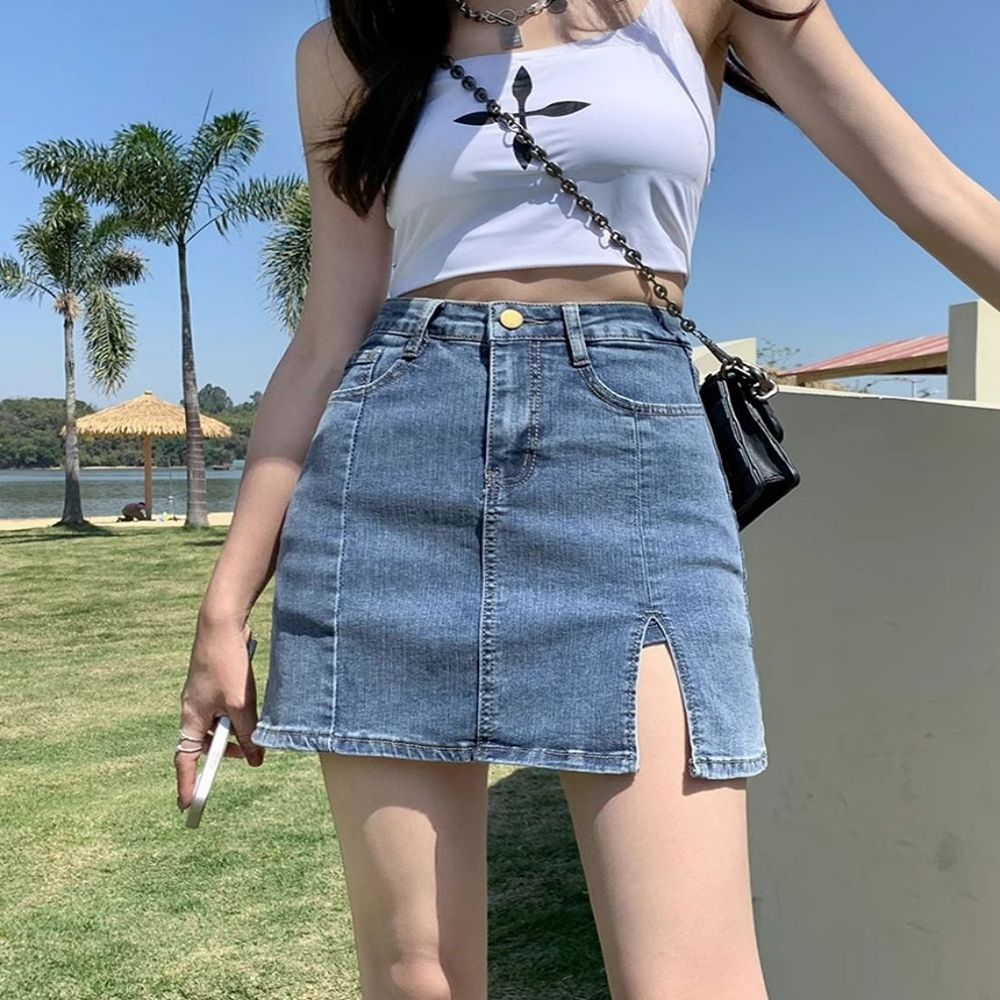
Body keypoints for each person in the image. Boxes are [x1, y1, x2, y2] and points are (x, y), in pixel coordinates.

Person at [175, 2, 1000, 997]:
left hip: (632, 461)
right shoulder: (352, 44)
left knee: (687, 979)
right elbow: (328, 329)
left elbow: (932, 193)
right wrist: (225, 604)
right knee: (416, 974)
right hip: (391, 465)